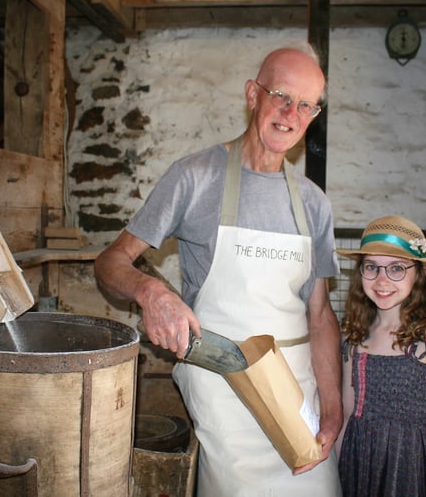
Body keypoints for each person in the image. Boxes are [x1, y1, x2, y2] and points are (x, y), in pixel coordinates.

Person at [94, 44, 342, 496]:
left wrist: (333, 406)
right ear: (252, 94)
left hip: (296, 393)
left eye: (306, 105)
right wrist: (151, 292)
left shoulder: (313, 203)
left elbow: (321, 315)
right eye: (281, 96)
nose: (291, 114)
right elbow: (110, 262)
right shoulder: (194, 177)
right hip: (224, 391)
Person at [334, 215, 426, 496]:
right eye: (372, 267)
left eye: (396, 268)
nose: (382, 280)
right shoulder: (352, 337)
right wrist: (333, 482)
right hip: (359, 465)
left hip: (411, 467)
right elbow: (347, 414)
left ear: (421, 273)